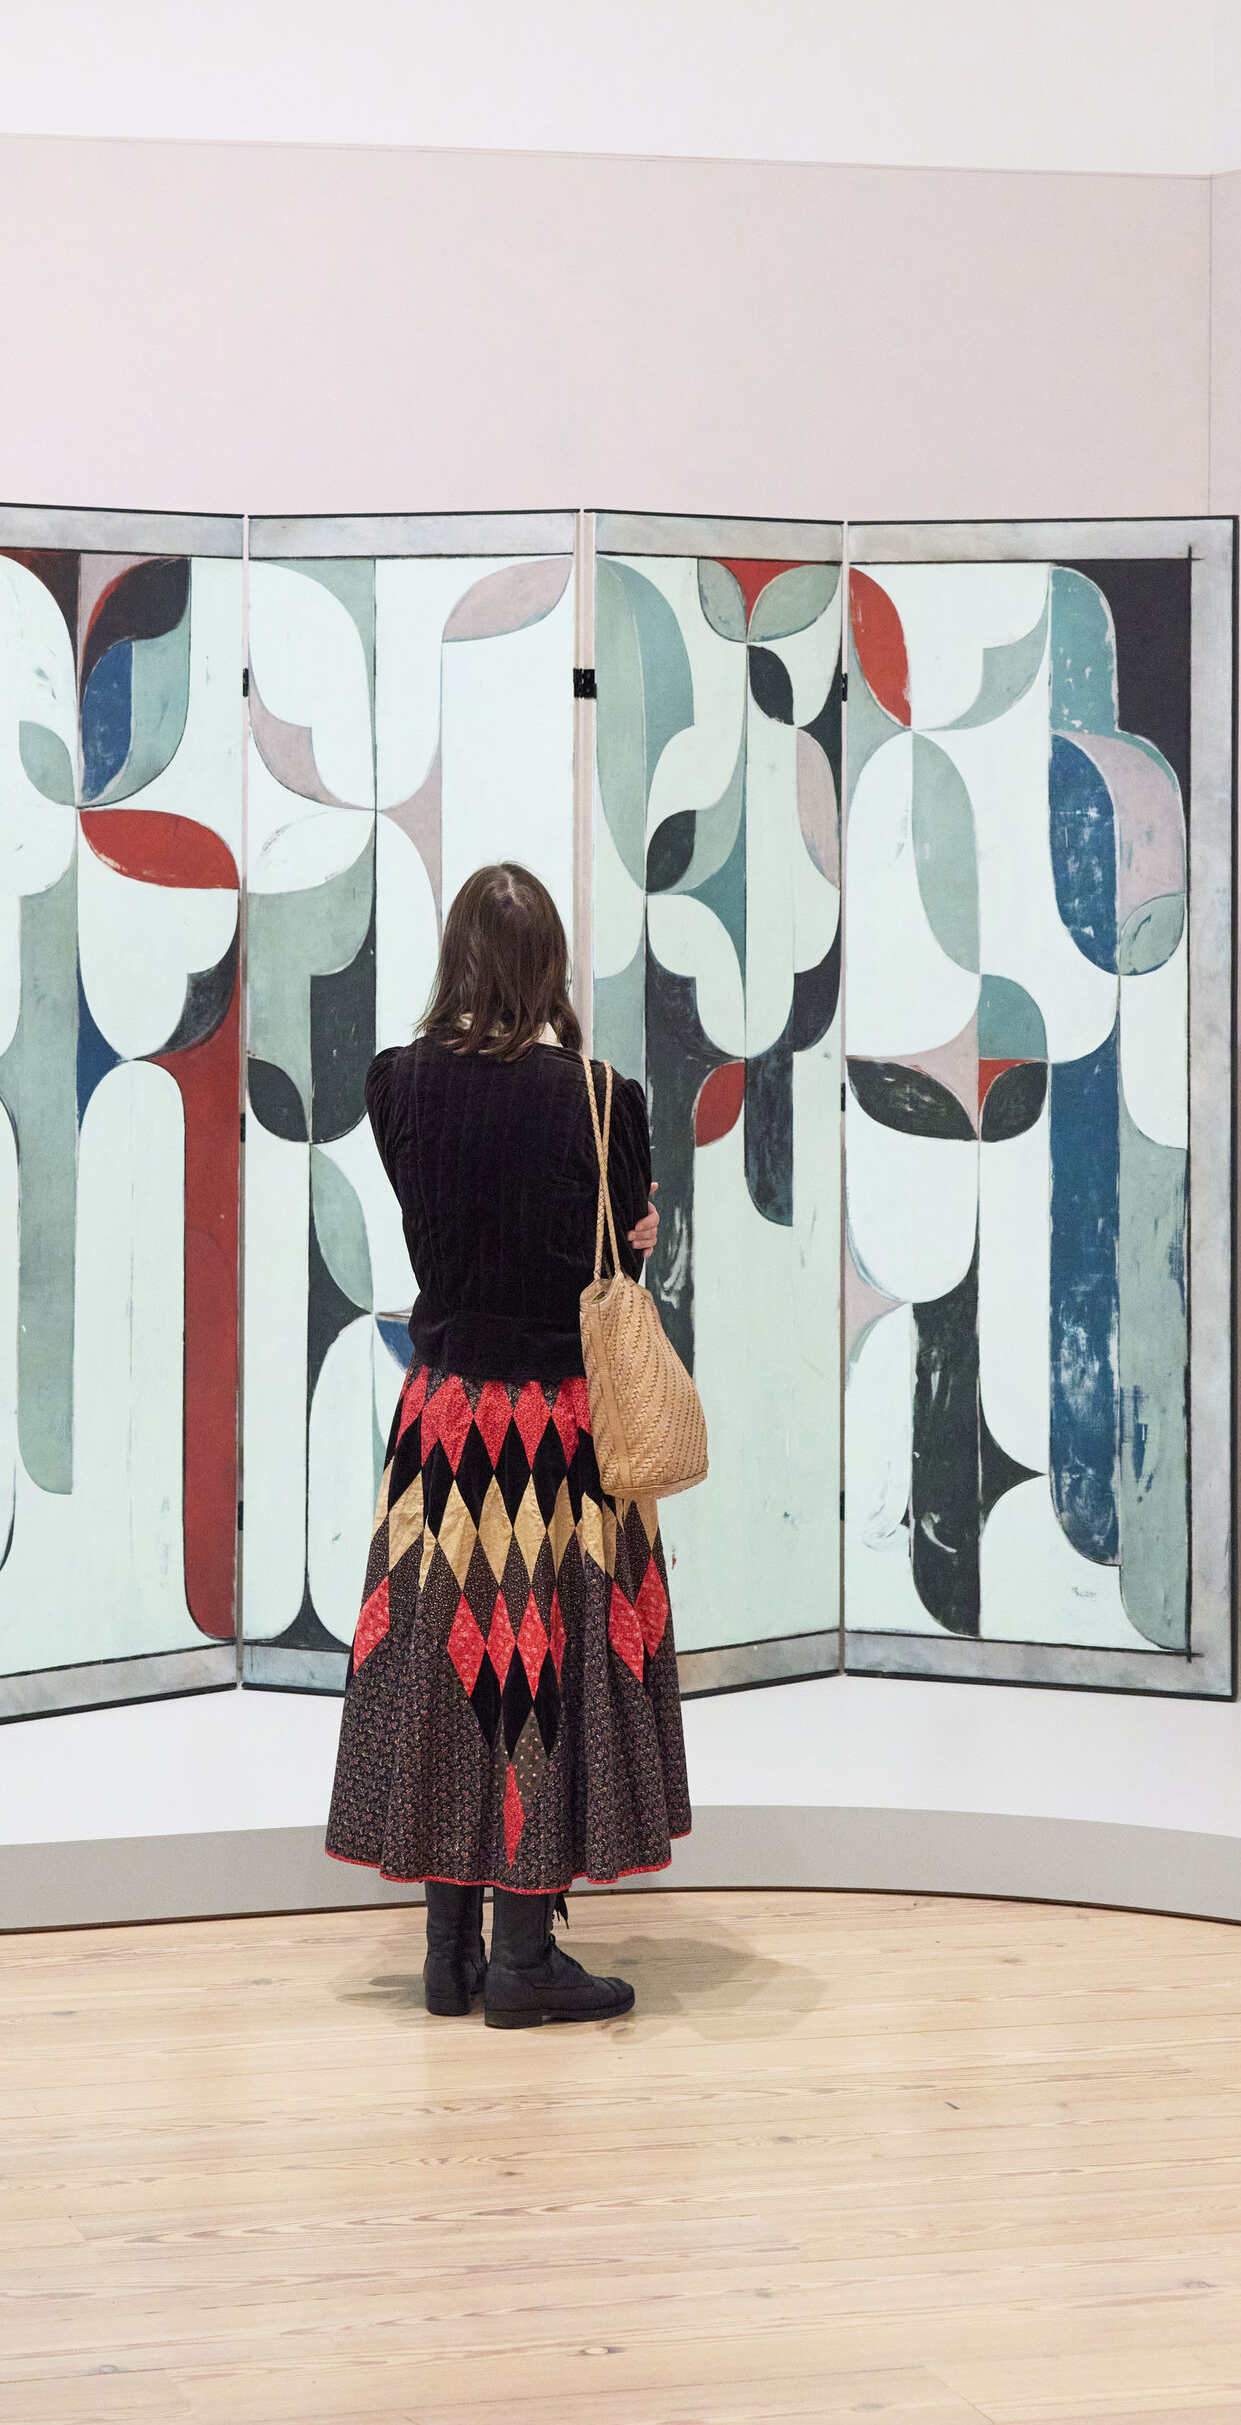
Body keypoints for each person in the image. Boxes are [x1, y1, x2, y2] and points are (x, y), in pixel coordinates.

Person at [324, 861, 692, 2028]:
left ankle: (449, 1953)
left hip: (441, 1426)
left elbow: (453, 1216)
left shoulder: (395, 1083)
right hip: (554, 1435)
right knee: (535, 1673)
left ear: (456, 958)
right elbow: (614, 1247)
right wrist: (634, 1227)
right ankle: (524, 1957)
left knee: (449, 1670)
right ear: (548, 969)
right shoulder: (599, 1096)